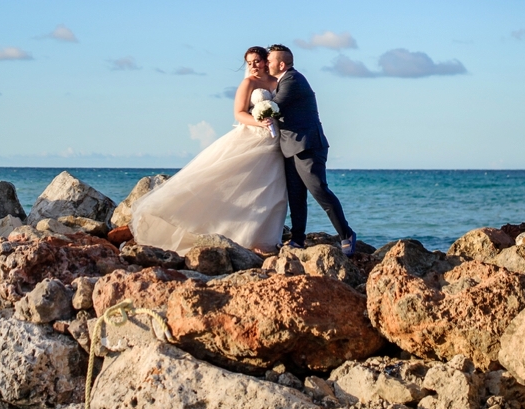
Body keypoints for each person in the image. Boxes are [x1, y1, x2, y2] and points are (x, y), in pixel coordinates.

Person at [130, 46, 287, 255]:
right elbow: (239, 113)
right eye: (249, 63)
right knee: (235, 181)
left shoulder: (278, 82)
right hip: (253, 136)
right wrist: (260, 122)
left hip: (276, 141)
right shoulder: (248, 82)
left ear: (266, 61)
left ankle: (263, 237)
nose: (253, 66)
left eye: (257, 61)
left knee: (272, 188)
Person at [267, 43, 356, 255]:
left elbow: (274, 106)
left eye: (269, 60)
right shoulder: (281, 81)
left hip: (307, 145)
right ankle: (298, 239)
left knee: (318, 190)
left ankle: (346, 234)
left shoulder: (293, 80)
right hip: (290, 147)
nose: (266, 63)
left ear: (281, 63)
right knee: (296, 196)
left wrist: (253, 111)